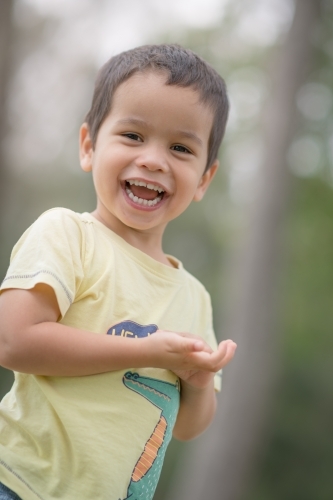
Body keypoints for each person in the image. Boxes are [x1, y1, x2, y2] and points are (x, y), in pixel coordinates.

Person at [0, 44, 237, 500]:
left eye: (181, 147)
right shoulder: (68, 235)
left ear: (205, 178)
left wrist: (198, 381)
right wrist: (145, 351)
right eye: (132, 136)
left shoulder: (194, 297)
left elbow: (187, 426)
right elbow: (14, 341)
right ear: (89, 146)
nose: (152, 159)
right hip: (19, 482)